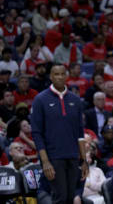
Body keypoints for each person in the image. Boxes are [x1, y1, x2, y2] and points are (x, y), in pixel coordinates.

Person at [30, 63, 88, 204]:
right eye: (56, 74)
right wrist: (45, 162)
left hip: (73, 157)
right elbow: (37, 133)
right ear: (50, 76)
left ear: (67, 76)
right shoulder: (40, 99)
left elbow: (80, 134)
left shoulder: (75, 100)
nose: (60, 77)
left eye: (63, 74)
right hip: (53, 157)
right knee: (60, 198)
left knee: (70, 197)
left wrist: (84, 160)